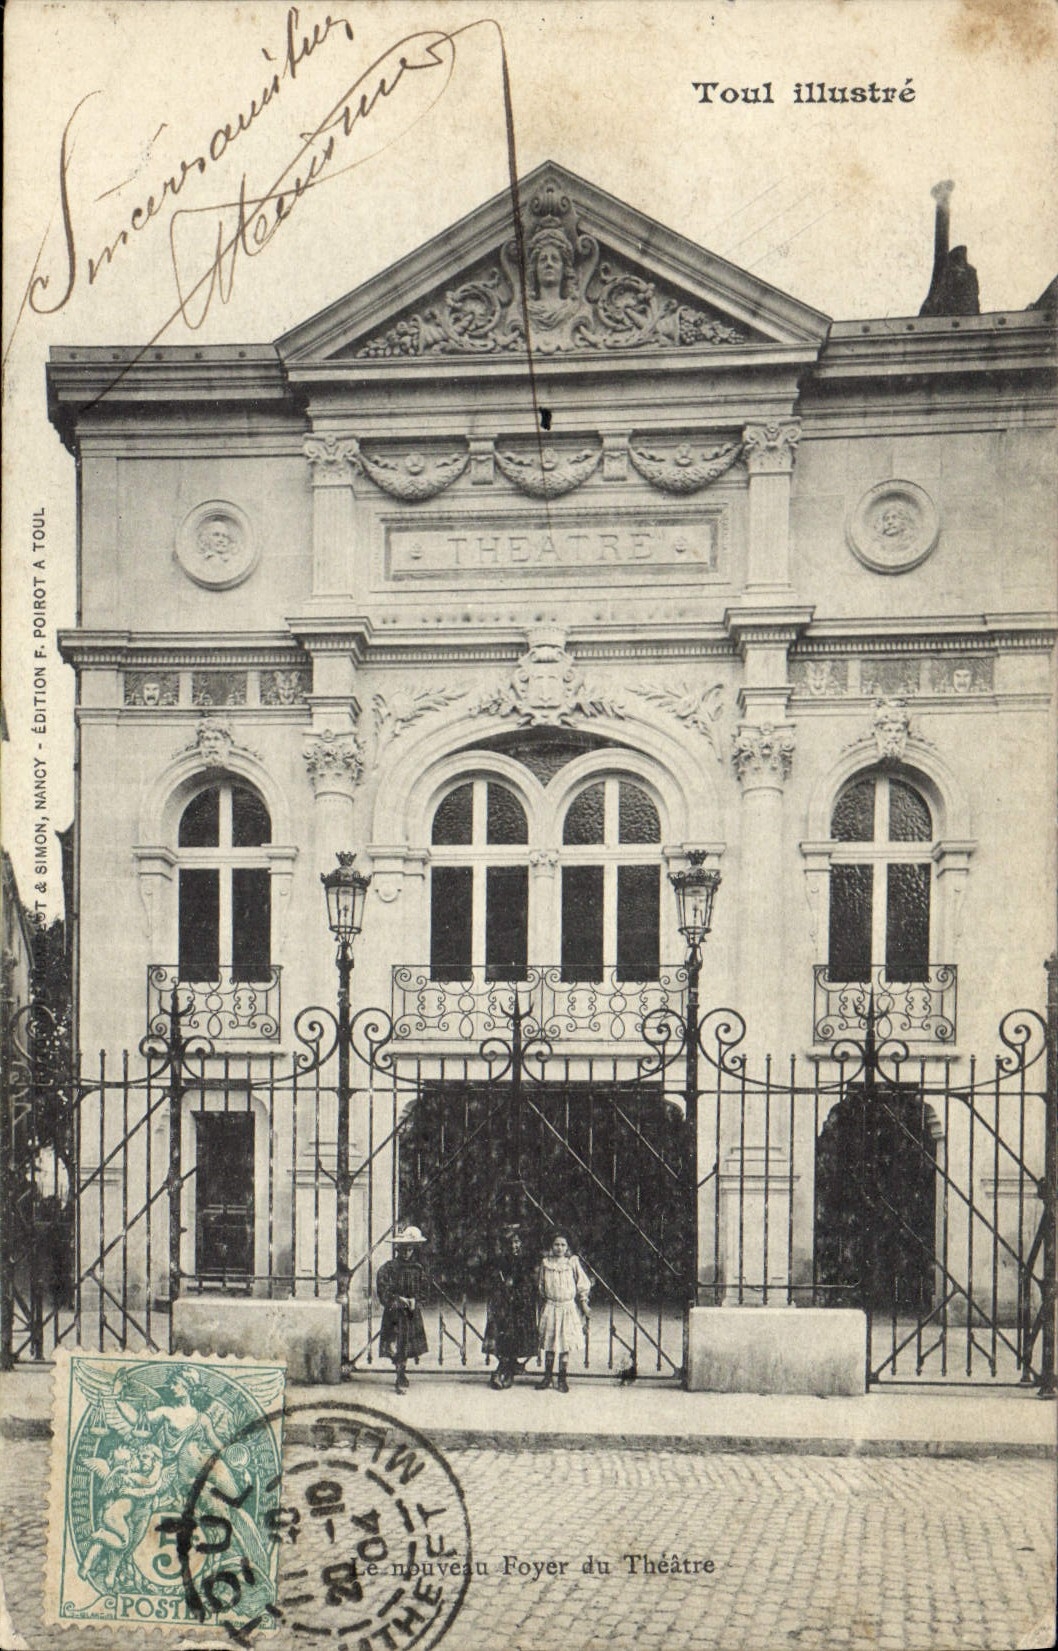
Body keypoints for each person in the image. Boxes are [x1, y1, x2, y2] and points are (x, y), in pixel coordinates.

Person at [483, 1226, 538, 1390]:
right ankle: (505, 1369)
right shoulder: (500, 1261)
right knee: (504, 1334)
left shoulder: (526, 1260)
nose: (514, 1246)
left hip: (521, 1304)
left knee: (518, 1335)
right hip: (505, 1304)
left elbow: (530, 1282)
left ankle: (509, 1368)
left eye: (517, 1242)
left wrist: (520, 1289)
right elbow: (491, 1280)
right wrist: (503, 1285)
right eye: (510, 1243)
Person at [535, 1232, 591, 1393]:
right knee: (550, 1344)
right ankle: (547, 1377)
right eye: (556, 1244)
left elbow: (582, 1283)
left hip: (567, 1308)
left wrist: (583, 1302)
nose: (559, 1248)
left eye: (563, 1245)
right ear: (551, 1246)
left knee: (565, 1343)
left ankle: (562, 1378)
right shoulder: (546, 1264)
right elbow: (541, 1286)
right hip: (551, 1307)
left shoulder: (571, 1263)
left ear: (568, 1247)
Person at [377, 1226, 429, 1394]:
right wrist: (397, 1300)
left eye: (410, 1248)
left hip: (411, 1314)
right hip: (395, 1314)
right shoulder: (389, 1268)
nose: (406, 1252)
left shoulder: (418, 1269)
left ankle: (402, 1372)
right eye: (403, 1248)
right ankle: (399, 1373)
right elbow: (383, 1291)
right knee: (395, 1343)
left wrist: (416, 1300)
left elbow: (425, 1291)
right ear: (397, 1249)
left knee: (407, 1344)